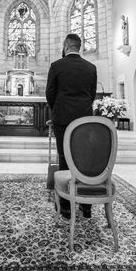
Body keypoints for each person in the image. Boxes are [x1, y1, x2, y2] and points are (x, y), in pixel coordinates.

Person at [46, 33, 97, 219]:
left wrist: (57, 111)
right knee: (83, 160)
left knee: (64, 159)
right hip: (85, 120)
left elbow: (49, 93)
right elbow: (91, 94)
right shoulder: (91, 68)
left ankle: (66, 207)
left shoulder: (57, 66)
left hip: (63, 120)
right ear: (79, 47)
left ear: (66, 46)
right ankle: (86, 205)